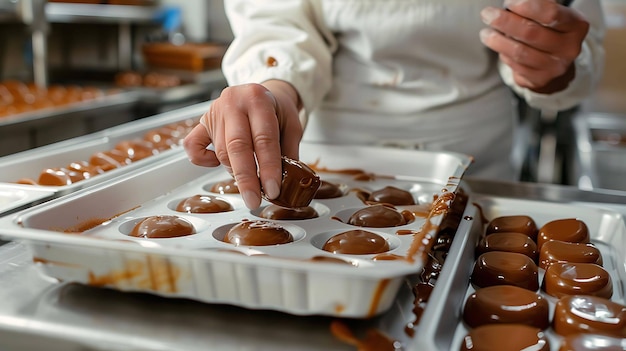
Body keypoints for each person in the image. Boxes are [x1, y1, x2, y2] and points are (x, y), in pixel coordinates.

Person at [183, 0, 605, 210]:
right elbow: (277, 19)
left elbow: (570, 30)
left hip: (473, 158)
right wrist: (275, 85)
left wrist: (550, 61)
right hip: (327, 156)